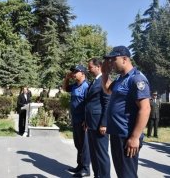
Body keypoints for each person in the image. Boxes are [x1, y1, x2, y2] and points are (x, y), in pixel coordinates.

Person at [102, 45, 151, 178]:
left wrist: (135, 137)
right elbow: (107, 89)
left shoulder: (137, 79)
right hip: (117, 133)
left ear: (124, 59)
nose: (111, 63)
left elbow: (145, 109)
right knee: (121, 173)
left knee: (127, 174)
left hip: (127, 135)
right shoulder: (121, 78)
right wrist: (105, 73)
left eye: (113, 59)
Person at [63, 64, 90, 177]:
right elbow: (65, 88)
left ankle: (86, 169)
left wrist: (87, 120)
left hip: (83, 121)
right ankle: (79, 166)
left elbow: (89, 105)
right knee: (78, 144)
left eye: (76, 72)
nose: (73, 74)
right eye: (73, 72)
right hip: (75, 119)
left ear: (83, 73)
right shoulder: (74, 86)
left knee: (84, 145)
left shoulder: (86, 87)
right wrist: (66, 78)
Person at [85, 58, 110, 178]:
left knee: (101, 154)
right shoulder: (94, 81)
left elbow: (107, 103)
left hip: (99, 124)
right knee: (94, 154)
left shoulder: (104, 80)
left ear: (98, 66)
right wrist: (86, 121)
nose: (88, 70)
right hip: (91, 123)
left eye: (90, 67)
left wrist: (104, 123)